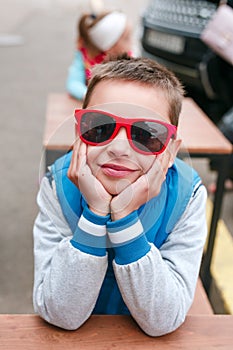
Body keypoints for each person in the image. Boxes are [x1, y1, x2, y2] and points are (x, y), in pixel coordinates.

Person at [33, 55, 207, 336]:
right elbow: (61, 314)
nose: (119, 148)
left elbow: (163, 320)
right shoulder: (57, 185)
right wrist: (95, 213)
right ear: (79, 133)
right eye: (100, 126)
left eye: (147, 134)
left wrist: (124, 217)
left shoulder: (188, 196)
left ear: (172, 152)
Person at [66, 10, 132, 100]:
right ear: (110, 46)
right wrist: (90, 96)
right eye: (127, 39)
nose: (132, 43)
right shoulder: (84, 58)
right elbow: (73, 84)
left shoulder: (130, 62)